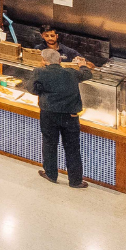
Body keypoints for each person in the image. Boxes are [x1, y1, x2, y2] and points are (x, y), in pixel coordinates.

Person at [21, 48, 95, 188]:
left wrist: (42, 91)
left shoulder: (39, 72)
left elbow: (31, 89)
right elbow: (87, 74)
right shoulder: (71, 72)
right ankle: (75, 181)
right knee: (72, 147)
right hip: (70, 115)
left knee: (49, 143)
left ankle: (50, 174)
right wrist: (82, 65)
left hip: (49, 113)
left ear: (44, 60)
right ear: (60, 60)